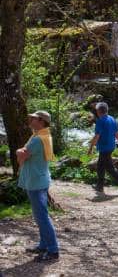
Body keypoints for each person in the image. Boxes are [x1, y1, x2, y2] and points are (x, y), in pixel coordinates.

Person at [16, 111, 59, 263]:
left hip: (35, 182)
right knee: (40, 216)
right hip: (40, 180)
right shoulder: (44, 135)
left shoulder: (37, 139)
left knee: (42, 217)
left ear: (41, 121)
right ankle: (43, 245)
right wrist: (22, 152)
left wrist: (17, 151)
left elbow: (23, 154)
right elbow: (26, 153)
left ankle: (53, 250)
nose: (31, 119)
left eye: (33, 118)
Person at [87, 102, 118, 196]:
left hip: (104, 147)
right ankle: (100, 186)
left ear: (98, 111)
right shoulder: (112, 119)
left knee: (109, 168)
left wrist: (90, 148)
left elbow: (97, 136)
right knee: (101, 166)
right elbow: (117, 135)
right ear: (106, 110)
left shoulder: (100, 121)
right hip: (111, 146)